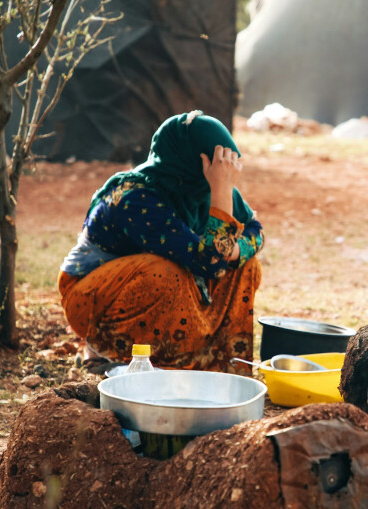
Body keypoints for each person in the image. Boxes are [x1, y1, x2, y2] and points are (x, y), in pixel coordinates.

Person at [58, 111, 263, 374]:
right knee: (165, 272)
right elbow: (209, 262)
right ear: (195, 162)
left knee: (245, 265)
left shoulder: (203, 188)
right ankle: (111, 353)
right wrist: (221, 192)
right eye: (220, 166)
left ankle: (214, 363)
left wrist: (234, 249)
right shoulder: (135, 198)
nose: (226, 174)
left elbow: (255, 229)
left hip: (170, 291)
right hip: (91, 301)